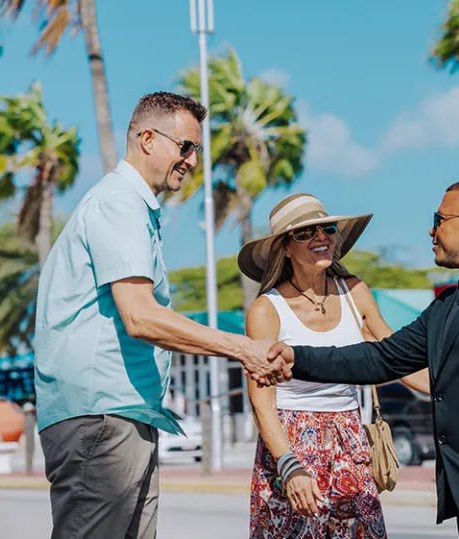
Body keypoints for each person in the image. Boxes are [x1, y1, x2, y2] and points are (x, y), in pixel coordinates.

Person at [33, 91, 289, 539]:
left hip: (121, 416)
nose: (192, 161)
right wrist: (244, 349)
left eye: (197, 150)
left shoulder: (130, 207)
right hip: (102, 419)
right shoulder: (119, 203)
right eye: (185, 147)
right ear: (148, 139)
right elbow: (141, 317)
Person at [267, 179, 459, 539]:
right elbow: (381, 357)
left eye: (439, 219)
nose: (431, 230)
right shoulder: (450, 304)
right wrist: (296, 358)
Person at [240, 193, 430, 538]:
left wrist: (453, 388)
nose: (321, 237)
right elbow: (261, 401)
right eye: (306, 233)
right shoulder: (266, 310)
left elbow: (396, 357)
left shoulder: (354, 291)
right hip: (292, 442)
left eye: (327, 229)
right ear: (284, 248)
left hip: (349, 438)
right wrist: (288, 464)